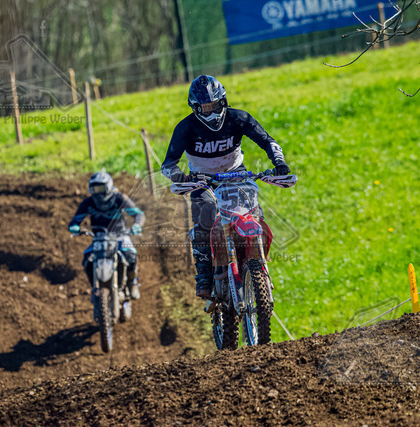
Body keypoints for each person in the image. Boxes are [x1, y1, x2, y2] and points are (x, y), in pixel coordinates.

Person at [161, 75, 291, 299]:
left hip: (237, 173)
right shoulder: (185, 128)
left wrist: (279, 163)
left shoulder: (238, 118)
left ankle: (258, 262)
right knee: (205, 216)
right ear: (195, 108)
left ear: (224, 101)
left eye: (216, 105)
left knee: (255, 214)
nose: (212, 112)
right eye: (205, 108)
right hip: (202, 179)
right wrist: (182, 177)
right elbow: (167, 164)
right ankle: (204, 274)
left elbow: (267, 141)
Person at [68, 171, 145, 300]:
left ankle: (132, 283)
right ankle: (95, 288)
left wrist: (137, 225)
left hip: (120, 235)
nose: (98, 193)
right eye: (95, 189)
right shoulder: (88, 202)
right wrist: (75, 226)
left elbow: (138, 213)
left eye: (101, 188)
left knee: (131, 255)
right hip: (99, 237)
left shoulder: (119, 198)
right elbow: (75, 220)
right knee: (87, 259)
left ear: (108, 187)